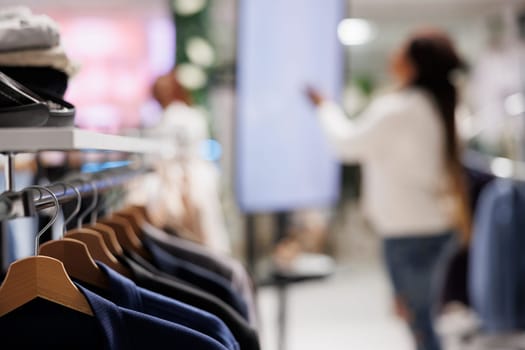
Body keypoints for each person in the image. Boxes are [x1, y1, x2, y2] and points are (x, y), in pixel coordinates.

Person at [306, 28, 471, 350]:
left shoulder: (398, 110)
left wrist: (323, 107)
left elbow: (346, 144)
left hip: (408, 233)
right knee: (422, 317)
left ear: (414, 64)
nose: (392, 57)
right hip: (438, 227)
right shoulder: (445, 108)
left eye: (401, 52)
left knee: (420, 322)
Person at [127, 69, 232, 254]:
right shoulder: (177, 117)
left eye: (164, 89)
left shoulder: (173, 118)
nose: (161, 95)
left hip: (185, 181)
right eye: (158, 90)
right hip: (185, 179)